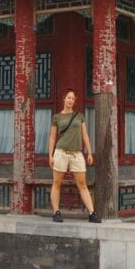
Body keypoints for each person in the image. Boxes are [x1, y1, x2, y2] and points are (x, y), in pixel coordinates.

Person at [47, 89, 101, 223]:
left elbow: (85, 135)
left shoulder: (79, 116)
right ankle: (56, 212)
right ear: (63, 99)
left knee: (82, 184)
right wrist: (50, 155)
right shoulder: (57, 117)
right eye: (68, 97)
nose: (71, 100)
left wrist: (89, 152)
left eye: (73, 98)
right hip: (60, 152)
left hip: (77, 153)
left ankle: (92, 213)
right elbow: (52, 138)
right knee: (57, 182)